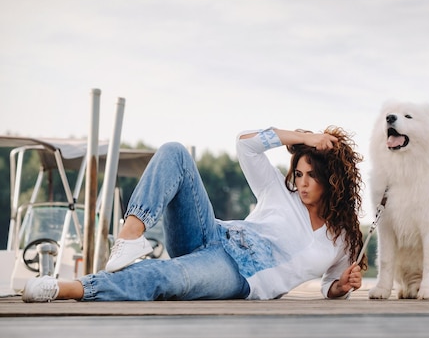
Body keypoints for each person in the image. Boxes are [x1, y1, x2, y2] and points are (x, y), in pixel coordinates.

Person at [22, 126, 366, 302]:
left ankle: (70, 288)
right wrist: (305, 136)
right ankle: (130, 235)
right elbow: (246, 143)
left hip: (238, 275)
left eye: (312, 176)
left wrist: (342, 286)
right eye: (300, 173)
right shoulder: (280, 191)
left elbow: (329, 287)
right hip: (214, 234)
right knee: (175, 153)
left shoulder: (342, 238)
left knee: (166, 276)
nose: (302, 183)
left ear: (332, 181)